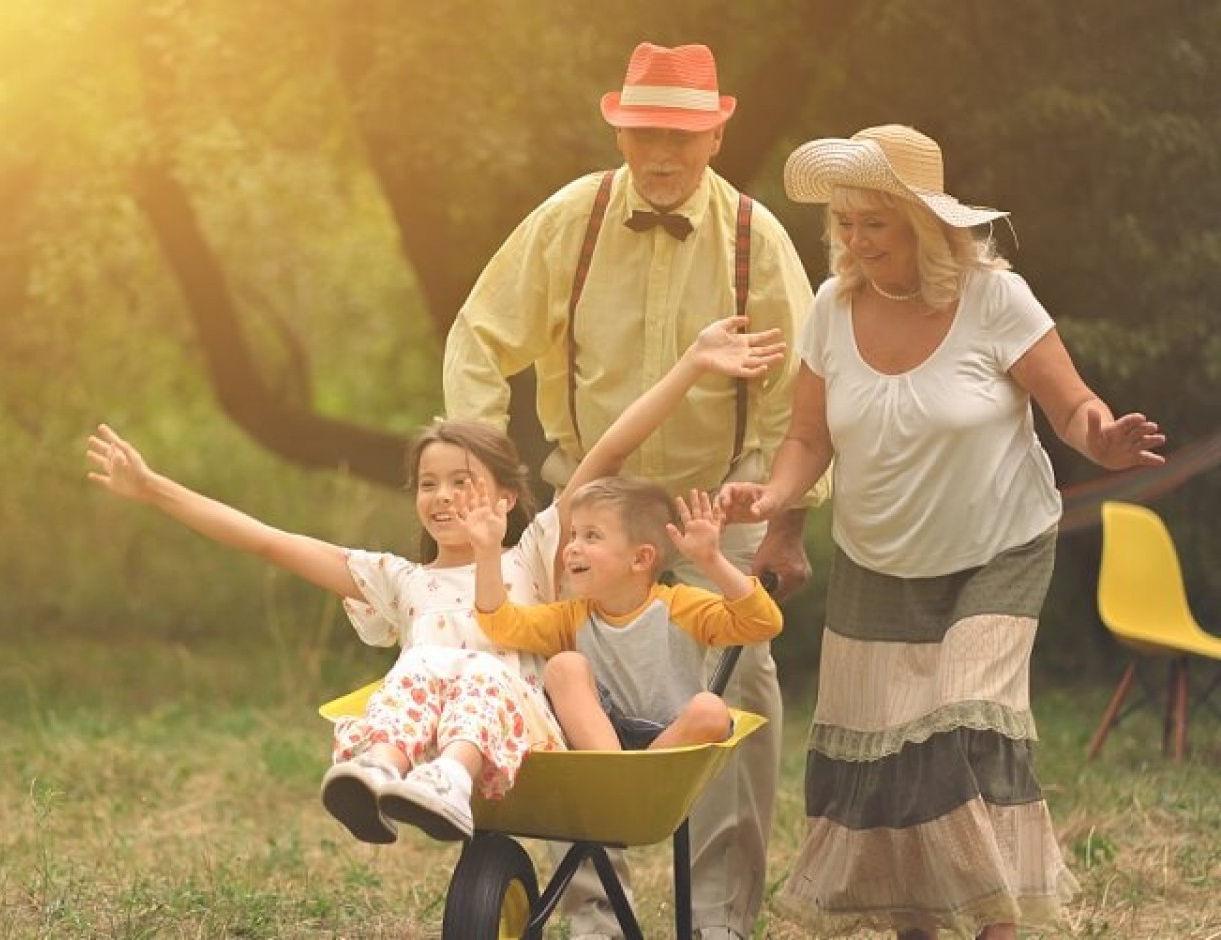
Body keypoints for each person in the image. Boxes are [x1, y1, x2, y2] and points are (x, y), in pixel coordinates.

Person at [720, 124, 1166, 939]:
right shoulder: (832, 307)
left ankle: (997, 923)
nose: (853, 241)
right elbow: (808, 439)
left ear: (922, 224)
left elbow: (1072, 407)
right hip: (878, 562)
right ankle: (918, 923)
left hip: (998, 549)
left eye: (873, 224)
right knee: (888, 754)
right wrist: (772, 500)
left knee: (963, 723)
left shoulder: (997, 298)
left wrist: (1100, 439)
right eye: (844, 224)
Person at [443, 40, 827, 938]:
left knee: (742, 694)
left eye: (683, 137)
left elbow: (802, 394)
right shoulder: (568, 222)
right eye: (647, 133)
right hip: (591, 499)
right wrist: (483, 484)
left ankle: (724, 916)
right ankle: (590, 911)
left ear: (718, 133)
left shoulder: (753, 239)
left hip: (713, 508)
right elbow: (478, 339)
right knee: (568, 686)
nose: (663, 154)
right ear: (620, 127)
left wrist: (786, 522)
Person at [84, 419, 569, 845]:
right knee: (416, 666)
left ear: (505, 496)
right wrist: (152, 489)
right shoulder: (400, 580)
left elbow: (605, 458)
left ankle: (453, 777)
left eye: (461, 481)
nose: (441, 495)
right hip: (435, 735)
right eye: (428, 483)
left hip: (524, 734)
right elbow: (268, 541)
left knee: (476, 668)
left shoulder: (532, 556)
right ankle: (379, 769)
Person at [465, 317, 787, 754]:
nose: (573, 545)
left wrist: (712, 562)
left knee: (711, 709)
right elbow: (500, 624)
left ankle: (637, 779)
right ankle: (614, 774)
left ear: (640, 559)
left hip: (667, 740)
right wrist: (486, 553)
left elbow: (762, 623)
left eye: (591, 536)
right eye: (574, 533)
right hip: (600, 736)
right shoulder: (571, 617)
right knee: (563, 667)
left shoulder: (679, 608)